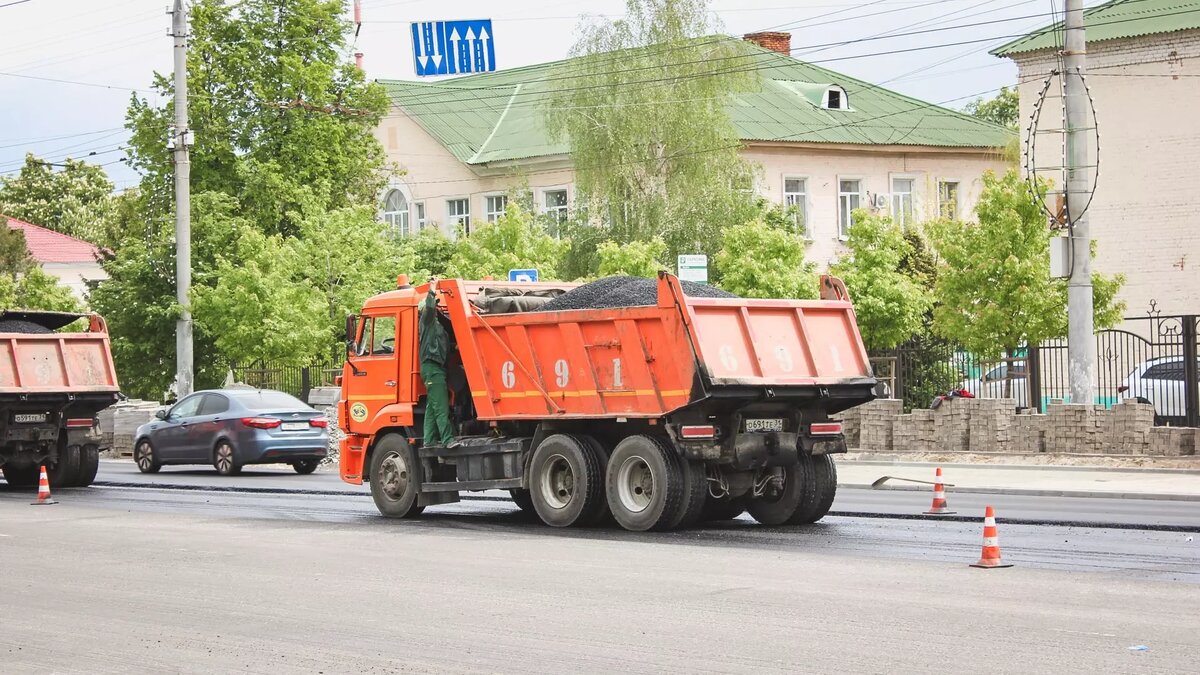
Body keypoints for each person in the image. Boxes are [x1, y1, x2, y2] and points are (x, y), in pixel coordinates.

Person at [419, 279, 455, 448]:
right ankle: (448, 440)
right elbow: (430, 308)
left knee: (432, 409)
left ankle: (429, 440)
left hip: (435, 369)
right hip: (432, 368)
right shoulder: (427, 323)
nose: (436, 308)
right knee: (441, 406)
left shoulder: (438, 328)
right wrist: (432, 288)